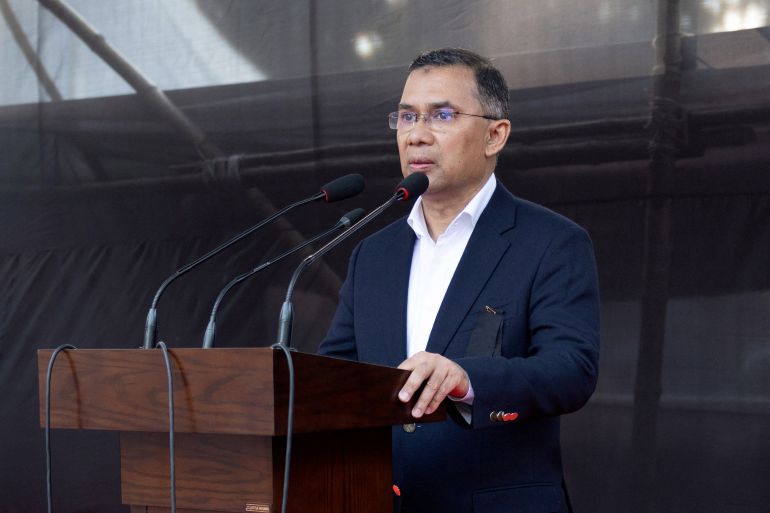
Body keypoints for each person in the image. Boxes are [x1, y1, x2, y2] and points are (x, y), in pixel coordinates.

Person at [319, 48, 599, 513]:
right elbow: (337, 376)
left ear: (495, 135)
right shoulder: (374, 253)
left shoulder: (551, 241)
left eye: (441, 115)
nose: (417, 135)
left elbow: (572, 369)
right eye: (407, 117)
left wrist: (468, 379)